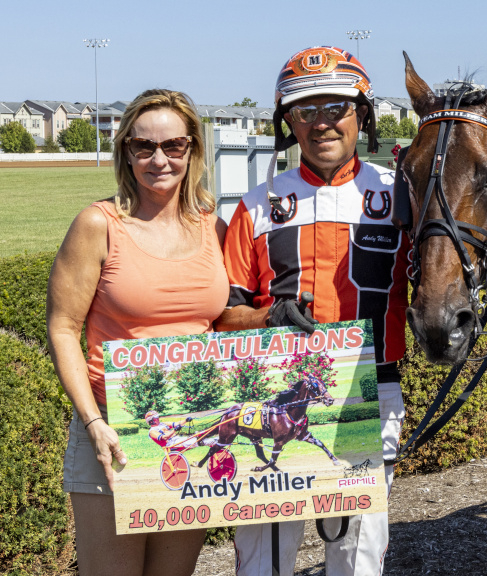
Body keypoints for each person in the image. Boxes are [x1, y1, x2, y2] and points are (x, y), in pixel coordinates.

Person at [217, 46, 408, 576]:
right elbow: (222, 317)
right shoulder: (255, 206)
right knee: (264, 562)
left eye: (336, 109)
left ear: (362, 115)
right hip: (270, 395)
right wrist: (266, 319)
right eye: (305, 111)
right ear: (288, 123)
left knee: (356, 560)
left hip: (371, 391)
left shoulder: (400, 198)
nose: (321, 123)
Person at [46, 88, 228, 576]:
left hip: (195, 428)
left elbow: (224, 321)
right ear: (125, 151)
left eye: (174, 146)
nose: (159, 159)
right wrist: (92, 422)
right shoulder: (97, 224)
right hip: (114, 431)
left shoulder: (215, 225)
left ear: (193, 149)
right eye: (143, 146)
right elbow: (62, 328)